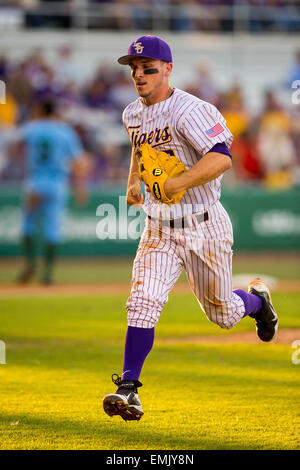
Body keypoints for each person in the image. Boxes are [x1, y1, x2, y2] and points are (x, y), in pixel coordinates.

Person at [102, 36, 279, 421]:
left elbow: (221, 159)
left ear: (168, 69)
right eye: (134, 68)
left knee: (223, 313)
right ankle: (128, 389)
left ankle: (257, 302)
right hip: (159, 228)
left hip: (204, 225)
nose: (139, 74)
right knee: (142, 302)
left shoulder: (191, 110)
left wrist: (177, 184)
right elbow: (139, 147)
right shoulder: (131, 112)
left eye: (149, 67)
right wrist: (134, 181)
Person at [14, 98, 89, 285]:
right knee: (53, 229)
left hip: (35, 182)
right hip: (57, 184)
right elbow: (78, 161)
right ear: (55, 112)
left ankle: (30, 264)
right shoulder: (64, 131)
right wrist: (80, 188)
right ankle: (47, 273)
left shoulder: (31, 128)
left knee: (28, 225)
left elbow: (15, 145)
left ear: (40, 110)